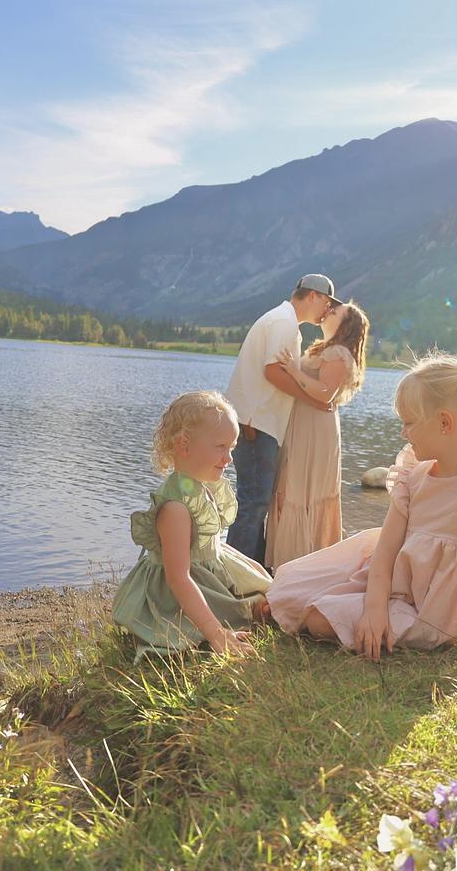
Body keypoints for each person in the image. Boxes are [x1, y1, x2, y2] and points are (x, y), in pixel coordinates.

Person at [267, 351, 457, 658]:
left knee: (319, 620)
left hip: (433, 613)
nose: (403, 433)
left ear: (444, 422)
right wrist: (375, 609)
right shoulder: (414, 475)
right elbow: (386, 552)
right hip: (391, 588)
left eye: (409, 423)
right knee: (294, 587)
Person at [112, 391, 272, 660]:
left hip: (208, 574)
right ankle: (224, 621)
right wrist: (217, 634)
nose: (229, 458)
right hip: (178, 597)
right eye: (221, 447)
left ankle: (257, 606)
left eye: (231, 448)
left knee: (268, 593)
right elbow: (178, 579)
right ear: (184, 445)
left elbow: (214, 546)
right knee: (251, 611)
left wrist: (254, 571)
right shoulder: (175, 508)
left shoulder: (199, 486)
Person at [225, 274, 339, 565]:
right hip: (256, 426)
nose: (327, 310)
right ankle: (233, 576)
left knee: (254, 503)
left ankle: (251, 572)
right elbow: (273, 371)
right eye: (327, 303)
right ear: (312, 296)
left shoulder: (285, 321)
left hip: (258, 425)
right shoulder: (283, 323)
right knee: (254, 504)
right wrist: (314, 401)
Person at [264, 301, 370, 571]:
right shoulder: (325, 349)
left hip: (314, 428)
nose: (329, 311)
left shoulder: (337, 352)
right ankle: (289, 564)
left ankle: (298, 565)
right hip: (306, 422)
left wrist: (293, 370)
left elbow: (325, 393)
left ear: (346, 326)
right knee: (292, 485)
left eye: (336, 312)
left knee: (301, 488)